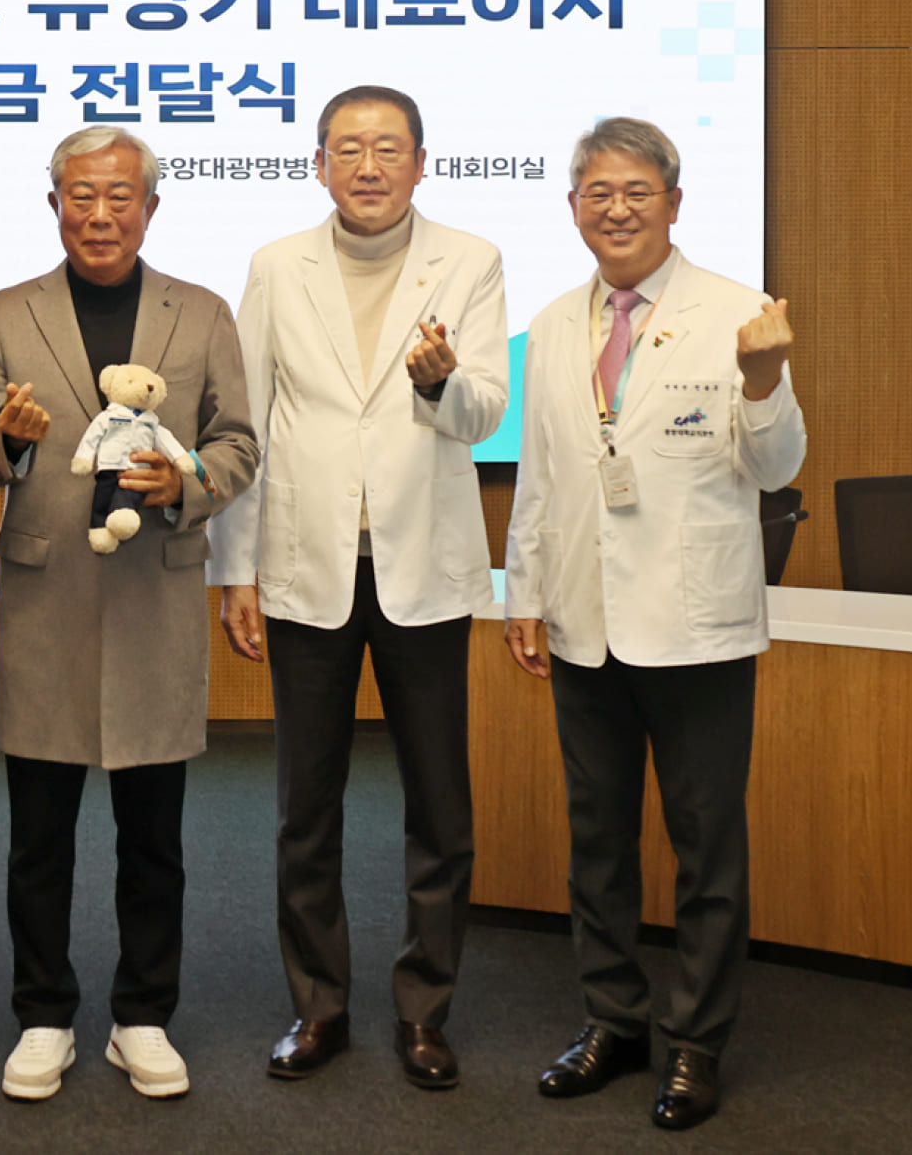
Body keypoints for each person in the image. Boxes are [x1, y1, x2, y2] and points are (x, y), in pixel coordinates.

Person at [503, 118, 805, 1132]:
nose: (617, 209)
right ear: (573, 208)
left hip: (695, 626)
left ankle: (696, 1043)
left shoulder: (740, 313)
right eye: (597, 192)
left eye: (637, 191)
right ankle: (613, 1021)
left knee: (705, 845)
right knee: (598, 840)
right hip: (584, 620)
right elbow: (544, 474)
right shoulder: (552, 324)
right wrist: (525, 594)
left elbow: (777, 468)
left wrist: (762, 382)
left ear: (673, 203)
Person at [0, 125, 259, 1103]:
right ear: (53, 205)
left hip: (153, 595)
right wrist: (6, 441)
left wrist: (186, 482)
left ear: (151, 207)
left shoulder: (201, 312)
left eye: (119, 195)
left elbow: (238, 443)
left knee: (153, 837)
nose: (99, 213)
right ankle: (43, 1015)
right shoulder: (4, 313)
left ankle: (142, 1017)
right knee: (38, 836)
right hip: (47, 599)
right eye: (80, 195)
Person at [207, 85, 508, 1087]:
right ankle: (318, 1007)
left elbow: (482, 413)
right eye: (348, 148)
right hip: (308, 565)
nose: (368, 166)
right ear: (319, 164)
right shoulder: (276, 265)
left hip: (423, 566)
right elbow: (246, 425)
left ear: (421, 161)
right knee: (307, 808)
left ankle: (425, 1011)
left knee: (439, 806)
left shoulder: (469, 259)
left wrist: (439, 381)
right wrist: (235, 567)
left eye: (388, 148)